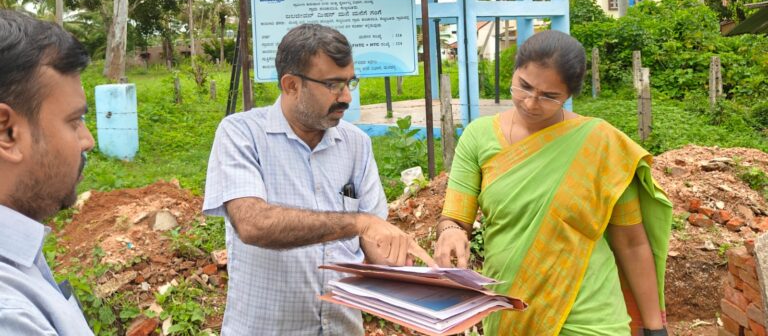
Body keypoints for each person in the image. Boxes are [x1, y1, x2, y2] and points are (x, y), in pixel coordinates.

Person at [434, 30, 672, 336]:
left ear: (569, 95)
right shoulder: (478, 137)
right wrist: (451, 232)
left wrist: (655, 329)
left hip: (591, 316)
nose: (531, 102)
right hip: (511, 310)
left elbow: (631, 241)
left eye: (549, 96)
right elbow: (454, 217)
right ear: (514, 72)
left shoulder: (600, 143)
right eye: (524, 86)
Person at [203, 23, 434, 335]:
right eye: (333, 85)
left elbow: (371, 241)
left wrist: (395, 261)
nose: (347, 97)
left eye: (350, 82)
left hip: (342, 328)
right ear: (291, 85)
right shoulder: (241, 134)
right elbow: (253, 223)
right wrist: (357, 223)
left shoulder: (356, 143)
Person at [0, 10, 95, 335]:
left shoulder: (16, 258)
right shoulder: (11, 317)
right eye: (74, 120)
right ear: (6, 132)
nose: (87, 140)